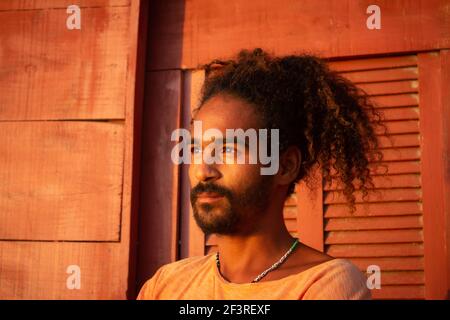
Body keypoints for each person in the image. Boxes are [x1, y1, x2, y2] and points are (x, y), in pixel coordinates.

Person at [137, 48, 385, 300]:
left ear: (284, 166)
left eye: (227, 149)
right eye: (195, 150)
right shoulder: (166, 284)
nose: (203, 171)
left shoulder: (326, 282)